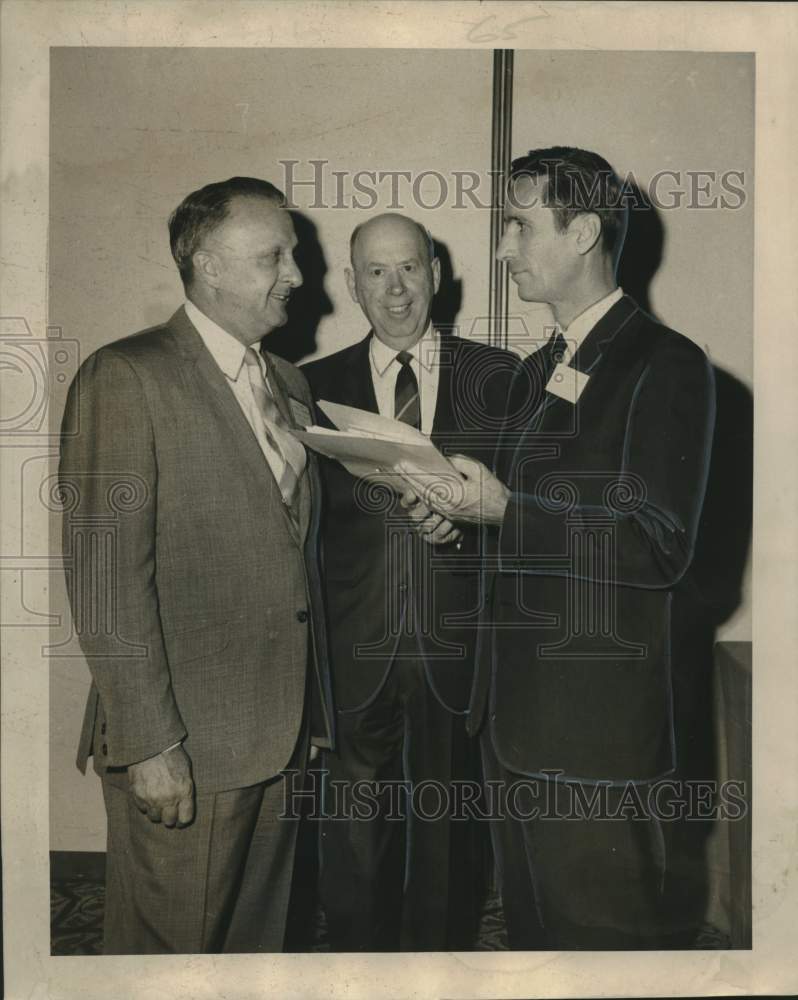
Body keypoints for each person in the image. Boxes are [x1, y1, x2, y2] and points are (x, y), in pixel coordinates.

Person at [399, 148, 717, 948]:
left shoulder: (665, 364)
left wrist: (506, 508)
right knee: (541, 948)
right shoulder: (541, 365)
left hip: (594, 743)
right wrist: (458, 521)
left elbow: (659, 547)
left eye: (518, 225)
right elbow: (521, 527)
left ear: (583, 233)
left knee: (605, 952)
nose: (502, 248)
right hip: (511, 727)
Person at [58, 176, 334, 954]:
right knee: (167, 958)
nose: (297, 276)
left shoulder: (289, 383)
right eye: (275, 257)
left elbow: (290, 553)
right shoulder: (127, 377)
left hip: (279, 738)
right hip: (184, 743)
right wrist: (149, 744)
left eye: (295, 256)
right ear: (207, 265)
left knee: (255, 950)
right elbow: (106, 579)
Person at [301, 214, 518, 951]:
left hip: (455, 653)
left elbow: (528, 519)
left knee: (450, 844)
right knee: (353, 847)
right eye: (377, 273)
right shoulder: (309, 385)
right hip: (352, 649)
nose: (396, 291)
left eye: (410, 269)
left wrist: (473, 527)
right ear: (351, 283)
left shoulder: (503, 380)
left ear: (436, 270)